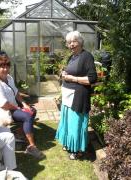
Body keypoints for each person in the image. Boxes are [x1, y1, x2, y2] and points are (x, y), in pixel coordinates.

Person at [0, 52, 44, 159]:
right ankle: (31, 147)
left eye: (7, 66)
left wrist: (24, 104)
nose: (5, 69)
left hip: (11, 107)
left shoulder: (8, 78)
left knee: (32, 110)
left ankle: (18, 133)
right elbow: (4, 104)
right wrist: (18, 108)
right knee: (27, 116)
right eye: (2, 67)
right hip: (2, 111)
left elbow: (16, 93)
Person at [55, 31, 97, 160]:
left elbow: (92, 79)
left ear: (80, 42)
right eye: (69, 42)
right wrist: (65, 73)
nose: (71, 44)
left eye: (74, 41)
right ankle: (69, 144)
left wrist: (72, 78)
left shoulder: (87, 56)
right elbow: (71, 72)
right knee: (67, 122)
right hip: (68, 95)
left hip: (78, 96)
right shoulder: (72, 57)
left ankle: (77, 150)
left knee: (76, 123)